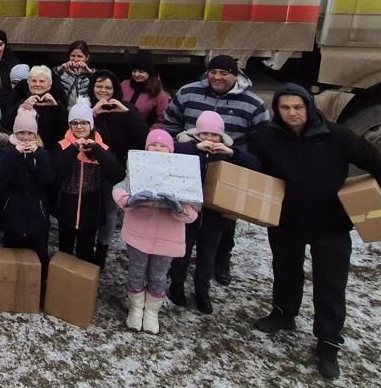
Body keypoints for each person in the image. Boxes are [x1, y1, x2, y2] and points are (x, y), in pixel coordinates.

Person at [247, 84, 381, 381]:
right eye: (285, 108)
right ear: (277, 110)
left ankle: (328, 343)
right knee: (285, 270)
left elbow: (380, 166)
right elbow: (245, 163)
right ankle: (284, 314)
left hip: (331, 224)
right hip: (287, 220)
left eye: (298, 107)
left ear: (309, 106)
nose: (292, 113)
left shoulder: (337, 136)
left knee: (330, 284)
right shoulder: (266, 137)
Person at [162, 55, 270, 286]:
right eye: (213, 72)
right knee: (184, 217)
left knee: (224, 220)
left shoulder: (253, 104)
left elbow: (262, 141)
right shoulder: (188, 92)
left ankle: (221, 259)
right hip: (190, 166)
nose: (217, 77)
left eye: (224, 73)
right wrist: (179, 146)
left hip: (228, 169)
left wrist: (238, 156)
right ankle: (177, 264)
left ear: (235, 75)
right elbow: (170, 122)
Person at [169, 110, 258, 314]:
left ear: (221, 137)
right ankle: (176, 287)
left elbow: (254, 165)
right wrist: (195, 147)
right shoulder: (187, 147)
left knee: (207, 255)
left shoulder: (228, 153)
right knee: (181, 251)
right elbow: (170, 152)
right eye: (205, 135)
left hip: (214, 215)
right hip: (188, 210)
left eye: (214, 135)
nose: (209, 139)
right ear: (197, 135)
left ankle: (202, 292)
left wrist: (232, 153)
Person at [112, 130, 200, 335]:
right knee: (136, 270)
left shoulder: (181, 174)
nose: (158, 149)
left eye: (163, 146)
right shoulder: (137, 169)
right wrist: (128, 201)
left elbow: (193, 212)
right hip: (138, 232)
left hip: (167, 238)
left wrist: (179, 209)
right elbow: (119, 189)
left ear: (171, 150)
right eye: (153, 145)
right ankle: (135, 309)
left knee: (159, 275)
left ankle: (151, 312)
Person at [52, 99, 124, 265]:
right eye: (74, 123)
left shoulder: (102, 148)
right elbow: (56, 172)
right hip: (66, 207)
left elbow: (117, 174)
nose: (79, 127)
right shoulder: (62, 145)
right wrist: (74, 149)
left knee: (85, 250)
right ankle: (61, 282)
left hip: (91, 208)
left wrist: (97, 150)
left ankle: (84, 285)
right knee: (65, 248)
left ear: (91, 124)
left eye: (84, 123)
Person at [0, 107, 57, 266]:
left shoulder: (43, 153)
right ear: (15, 133)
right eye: (21, 133)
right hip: (12, 212)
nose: (25, 137)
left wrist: (37, 156)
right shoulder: (7, 152)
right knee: (11, 256)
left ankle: (39, 284)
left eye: (30, 133)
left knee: (39, 255)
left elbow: (49, 178)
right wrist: (15, 155)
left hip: (37, 214)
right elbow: (2, 178)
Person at [15, 65, 68, 147]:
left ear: (49, 85)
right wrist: (21, 105)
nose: (37, 84)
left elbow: (64, 130)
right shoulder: (19, 97)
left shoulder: (57, 101)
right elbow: (6, 123)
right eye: (34, 81)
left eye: (42, 81)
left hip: (49, 151)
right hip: (21, 148)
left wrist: (56, 106)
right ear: (28, 83)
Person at [122, 53, 171, 131]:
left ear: (149, 73)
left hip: (144, 134)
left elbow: (163, 120)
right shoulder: (124, 85)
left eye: (141, 71)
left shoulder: (160, 94)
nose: (137, 74)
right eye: (134, 71)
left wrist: (148, 133)